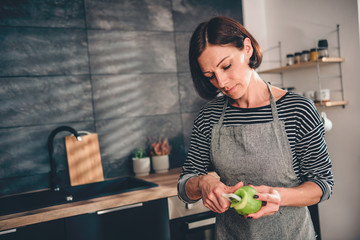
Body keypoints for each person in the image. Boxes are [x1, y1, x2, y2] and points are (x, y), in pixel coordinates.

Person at [178, 16, 334, 239]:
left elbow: (323, 184)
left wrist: (278, 196)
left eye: (226, 66)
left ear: (247, 48)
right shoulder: (208, 117)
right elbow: (185, 185)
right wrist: (203, 183)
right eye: (210, 76)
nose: (221, 83)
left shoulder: (298, 110)